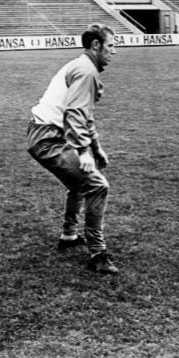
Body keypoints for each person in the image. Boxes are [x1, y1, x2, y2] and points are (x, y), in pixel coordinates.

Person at [26, 24, 119, 275]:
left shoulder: (83, 66)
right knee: (97, 185)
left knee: (81, 183)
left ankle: (68, 235)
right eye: (111, 45)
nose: (115, 51)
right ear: (96, 46)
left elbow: (84, 115)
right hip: (48, 138)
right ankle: (98, 254)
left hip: (50, 133)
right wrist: (84, 152)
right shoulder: (86, 70)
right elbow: (75, 113)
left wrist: (95, 147)